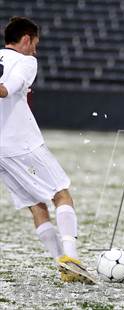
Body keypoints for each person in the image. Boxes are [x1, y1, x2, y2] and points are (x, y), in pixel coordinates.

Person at [0, 17, 95, 284]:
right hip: (21, 144)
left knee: (36, 206)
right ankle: (72, 258)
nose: (36, 51)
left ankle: (63, 267)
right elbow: (7, 90)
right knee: (61, 193)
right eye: (35, 44)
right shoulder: (26, 61)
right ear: (26, 39)